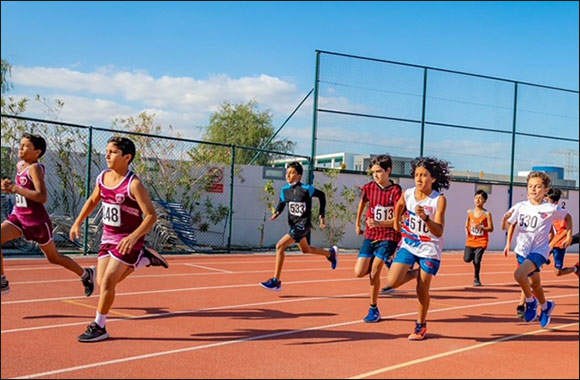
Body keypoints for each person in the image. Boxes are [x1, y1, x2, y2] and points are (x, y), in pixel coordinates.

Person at [70, 136, 167, 342]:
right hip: (108, 238)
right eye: (107, 151)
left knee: (107, 283)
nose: (107, 155)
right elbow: (93, 200)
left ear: (127, 157)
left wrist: (133, 237)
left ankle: (99, 326)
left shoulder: (134, 184)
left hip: (128, 240)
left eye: (112, 152)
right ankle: (144, 260)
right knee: (102, 281)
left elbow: (151, 215)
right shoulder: (102, 177)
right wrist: (78, 222)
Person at [1, 133, 95, 297]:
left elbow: (42, 196)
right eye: (20, 144)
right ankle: (2, 281)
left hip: (36, 222)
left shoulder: (35, 168)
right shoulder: (20, 165)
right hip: (18, 217)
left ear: (37, 152)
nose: (20, 148)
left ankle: (86, 274)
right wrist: (7, 187)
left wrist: (15, 189)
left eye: (25, 146)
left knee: (53, 257)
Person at [382, 156, 451, 340]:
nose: (419, 179)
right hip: (410, 243)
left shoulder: (438, 201)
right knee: (393, 281)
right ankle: (416, 273)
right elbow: (399, 206)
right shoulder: (408, 193)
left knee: (422, 288)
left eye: (424, 175)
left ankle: (420, 325)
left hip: (429, 247)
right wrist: (396, 223)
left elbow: (438, 231)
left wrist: (426, 219)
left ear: (433, 179)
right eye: (417, 175)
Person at [502, 172, 572, 328]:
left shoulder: (551, 208)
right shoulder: (520, 206)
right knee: (535, 285)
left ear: (546, 190)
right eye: (530, 186)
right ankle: (546, 306)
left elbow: (568, 217)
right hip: (522, 251)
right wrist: (504, 220)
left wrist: (569, 235)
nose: (533, 189)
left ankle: (530, 302)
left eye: (538, 186)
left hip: (539, 252)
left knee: (519, 275)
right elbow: (507, 225)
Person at [260, 161, 338, 291]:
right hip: (293, 225)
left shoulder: (306, 189)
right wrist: (277, 213)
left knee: (280, 246)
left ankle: (276, 281)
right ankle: (330, 254)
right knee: (305, 249)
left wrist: (322, 216)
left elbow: (322, 195)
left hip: (303, 225)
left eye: (292, 173)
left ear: (300, 176)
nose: (288, 176)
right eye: (287, 173)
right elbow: (282, 203)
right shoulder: (285, 190)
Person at [354, 155, 402, 323]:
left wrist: (381, 222)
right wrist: (357, 223)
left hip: (389, 235)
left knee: (375, 272)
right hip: (371, 234)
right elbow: (362, 204)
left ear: (388, 171)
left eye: (379, 172)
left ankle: (373, 309)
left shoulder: (396, 191)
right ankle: (386, 260)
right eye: (373, 172)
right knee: (359, 272)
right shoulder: (369, 188)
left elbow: (399, 219)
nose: (375, 175)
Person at [463, 190, 494, 286]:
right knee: (467, 259)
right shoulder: (469, 212)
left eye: (480, 198)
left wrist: (482, 228)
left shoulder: (487, 214)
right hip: (471, 240)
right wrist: (466, 231)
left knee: (477, 260)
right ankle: (472, 255)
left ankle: (476, 278)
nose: (478, 200)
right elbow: (466, 224)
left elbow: (491, 228)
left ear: (484, 201)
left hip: (482, 240)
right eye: (476, 198)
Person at [545, 188, 578, 278]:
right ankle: (545, 258)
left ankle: (576, 269)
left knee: (558, 273)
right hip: (551, 243)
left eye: (548, 200)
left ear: (554, 202)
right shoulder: (547, 212)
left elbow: (564, 230)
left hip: (559, 245)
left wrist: (553, 242)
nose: (545, 202)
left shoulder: (559, 214)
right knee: (536, 258)